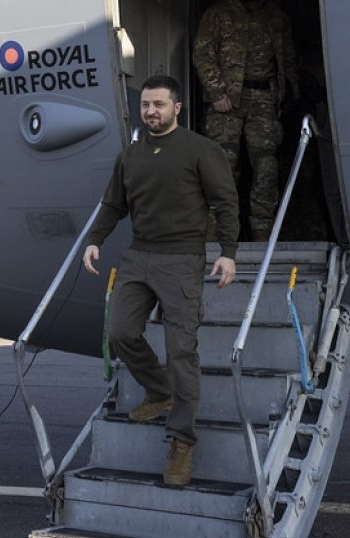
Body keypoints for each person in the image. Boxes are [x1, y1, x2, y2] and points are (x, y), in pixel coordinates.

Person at [82, 75, 240, 487]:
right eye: (146, 105)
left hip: (183, 259)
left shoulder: (201, 151)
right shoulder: (130, 155)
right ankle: (159, 391)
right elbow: (113, 204)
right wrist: (94, 241)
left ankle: (181, 443)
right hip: (139, 256)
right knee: (121, 332)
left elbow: (226, 203)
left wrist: (228, 253)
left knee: (181, 351)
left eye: (159, 105)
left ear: (177, 108)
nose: (151, 111)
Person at [193, 0, 300, 241]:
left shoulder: (276, 17)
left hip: (264, 98)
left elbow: (287, 58)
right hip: (226, 103)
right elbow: (202, 54)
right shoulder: (217, 14)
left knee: (266, 167)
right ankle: (216, 235)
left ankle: (262, 233)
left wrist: (291, 95)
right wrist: (216, 93)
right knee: (222, 167)